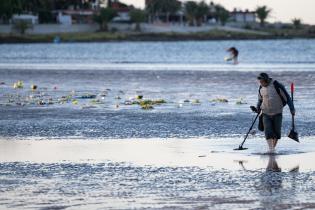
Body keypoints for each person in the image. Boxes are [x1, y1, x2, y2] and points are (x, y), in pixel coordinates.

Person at [256, 72, 295, 153]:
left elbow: (287, 98)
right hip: (265, 113)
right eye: (260, 82)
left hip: (277, 113)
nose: (261, 83)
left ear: (266, 80)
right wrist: (257, 108)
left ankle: (272, 149)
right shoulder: (261, 87)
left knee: (277, 134)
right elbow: (260, 100)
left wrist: (292, 109)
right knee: (268, 132)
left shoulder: (276, 85)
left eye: (262, 82)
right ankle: (271, 149)